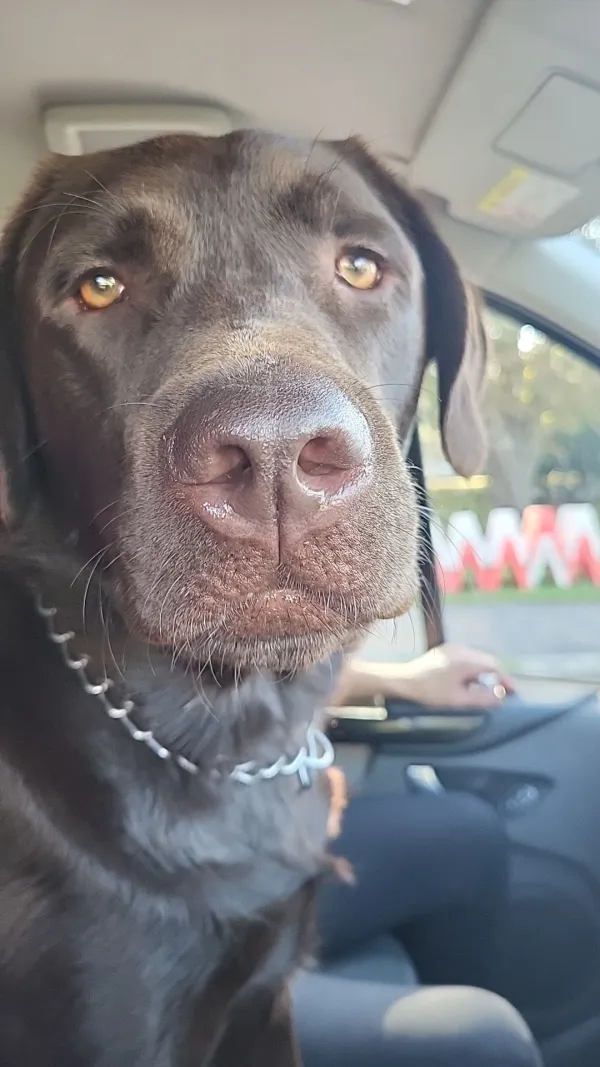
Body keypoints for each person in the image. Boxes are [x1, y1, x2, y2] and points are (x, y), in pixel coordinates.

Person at [317, 644, 515, 991]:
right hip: (231, 869)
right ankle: (455, 1018)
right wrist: (405, 681)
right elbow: (260, 679)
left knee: (459, 831)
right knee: (469, 839)